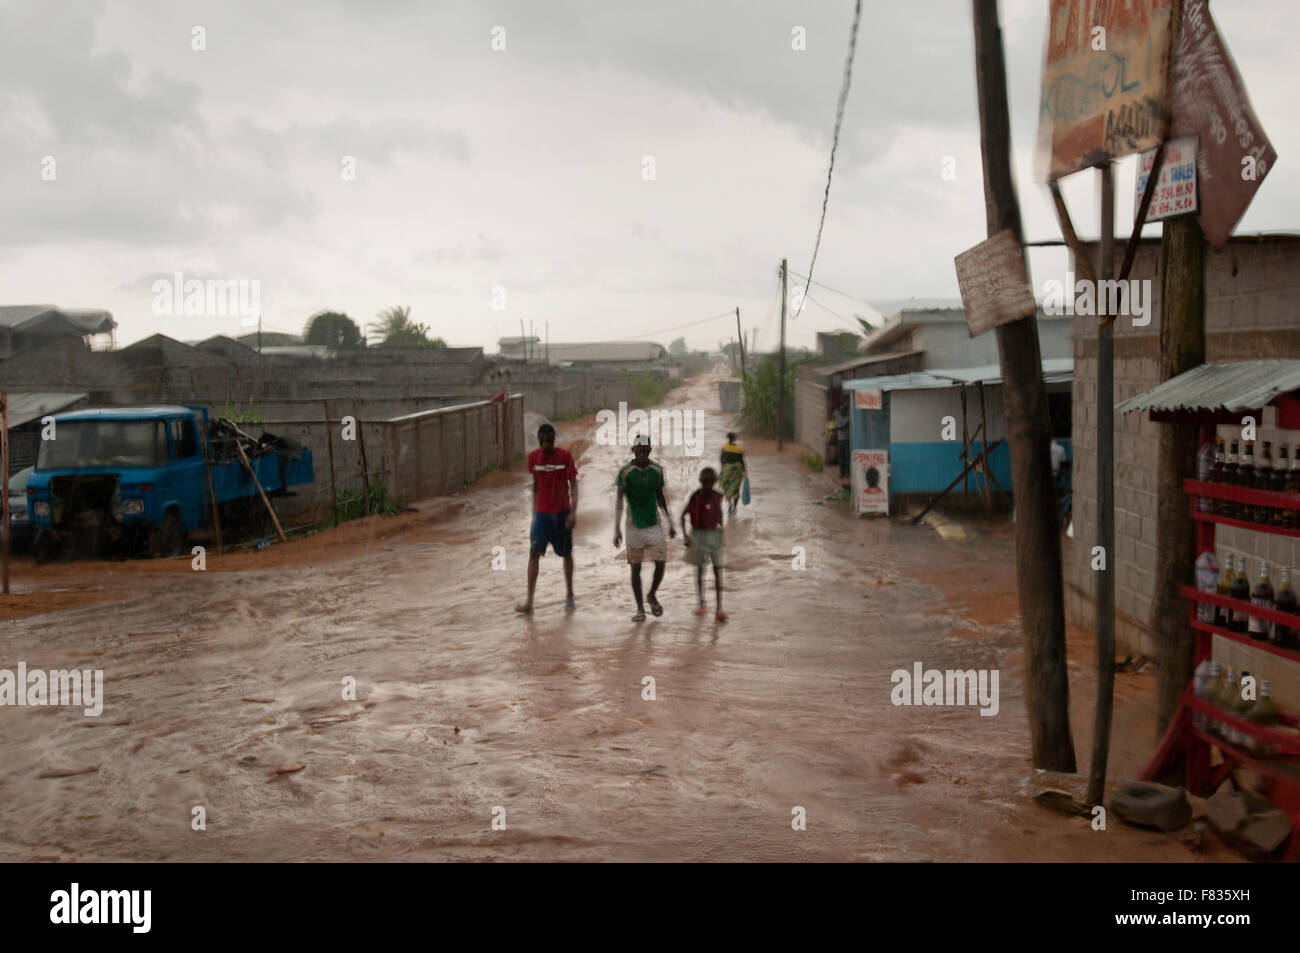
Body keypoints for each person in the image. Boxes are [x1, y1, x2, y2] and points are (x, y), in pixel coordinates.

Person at [516, 423, 578, 615]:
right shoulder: (533, 458)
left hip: (562, 513)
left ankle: (569, 595)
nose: (547, 444)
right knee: (534, 554)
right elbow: (535, 485)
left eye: (550, 440)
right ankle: (529, 602)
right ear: (539, 440)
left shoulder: (565, 457)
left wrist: (573, 512)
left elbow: (574, 485)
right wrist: (534, 513)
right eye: (544, 440)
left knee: (566, 554)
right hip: (542, 514)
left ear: (554, 439)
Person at [614, 433, 675, 621]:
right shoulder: (625, 473)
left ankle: (652, 594)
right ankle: (640, 608)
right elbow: (619, 501)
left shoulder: (656, 471)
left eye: (645, 450)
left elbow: (660, 496)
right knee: (635, 568)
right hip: (633, 526)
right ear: (633, 451)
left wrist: (670, 521)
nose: (641, 454)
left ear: (650, 450)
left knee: (661, 562)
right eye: (638, 450)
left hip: (653, 523)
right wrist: (616, 528)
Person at [680, 467, 727, 622]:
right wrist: (686, 536)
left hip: (714, 535)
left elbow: (722, 517)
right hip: (698, 535)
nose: (707, 485)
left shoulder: (719, 497)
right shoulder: (695, 496)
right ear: (700, 482)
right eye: (705, 482)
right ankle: (702, 604)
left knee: (716, 571)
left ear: (714, 482)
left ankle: (719, 608)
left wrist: (723, 537)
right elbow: (682, 516)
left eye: (710, 482)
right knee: (700, 571)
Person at [719, 432, 746, 516]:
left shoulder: (724, 447)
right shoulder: (739, 449)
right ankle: (735, 507)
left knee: (727, 488)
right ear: (734, 439)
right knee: (736, 489)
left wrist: (724, 469)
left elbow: (721, 459)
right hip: (737, 471)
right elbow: (741, 461)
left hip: (727, 470)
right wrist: (744, 471)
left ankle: (729, 503)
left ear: (728, 438)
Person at [832, 398, 851, 483]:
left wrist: (835, 428)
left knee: (847, 457)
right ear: (840, 409)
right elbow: (832, 416)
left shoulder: (849, 416)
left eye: (845, 409)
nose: (843, 410)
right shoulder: (837, 414)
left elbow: (844, 427)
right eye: (842, 409)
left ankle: (848, 473)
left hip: (847, 439)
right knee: (841, 457)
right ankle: (842, 473)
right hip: (840, 440)